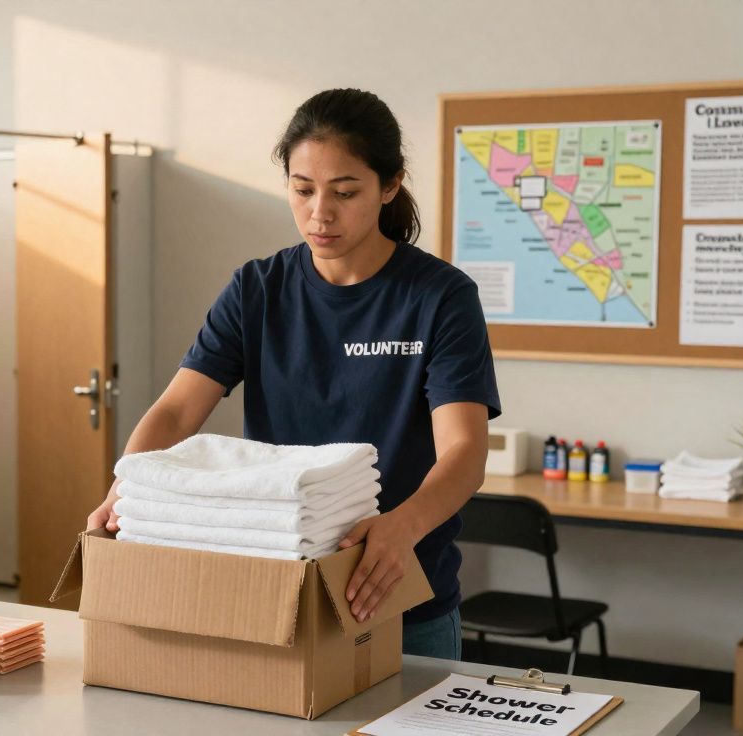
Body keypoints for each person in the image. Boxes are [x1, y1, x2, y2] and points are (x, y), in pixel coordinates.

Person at [86, 88, 500, 660]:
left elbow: (464, 453)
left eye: (345, 192)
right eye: (303, 190)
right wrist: (130, 488)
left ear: (390, 185)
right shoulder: (257, 290)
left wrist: (401, 528)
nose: (319, 213)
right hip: (279, 592)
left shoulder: (439, 297)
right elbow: (178, 410)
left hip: (399, 597)